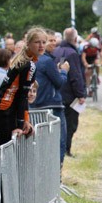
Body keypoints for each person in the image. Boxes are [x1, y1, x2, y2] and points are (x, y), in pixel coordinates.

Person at [0, 28, 41, 147]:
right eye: (37, 42)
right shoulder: (28, 64)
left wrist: (24, 120)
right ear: (28, 44)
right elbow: (23, 96)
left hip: (6, 111)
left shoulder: (25, 61)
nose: (41, 46)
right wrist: (21, 123)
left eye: (43, 42)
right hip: (6, 112)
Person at [33, 32, 70, 165]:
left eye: (54, 40)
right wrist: (64, 71)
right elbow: (59, 82)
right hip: (52, 105)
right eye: (49, 41)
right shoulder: (46, 61)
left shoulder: (30, 60)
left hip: (34, 106)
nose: (53, 43)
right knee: (59, 142)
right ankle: (56, 174)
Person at [55, 28, 87, 157]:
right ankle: (66, 150)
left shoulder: (56, 51)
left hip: (58, 93)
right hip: (70, 95)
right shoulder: (72, 53)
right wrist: (80, 94)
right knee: (70, 124)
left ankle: (62, 149)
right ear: (75, 39)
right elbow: (75, 76)